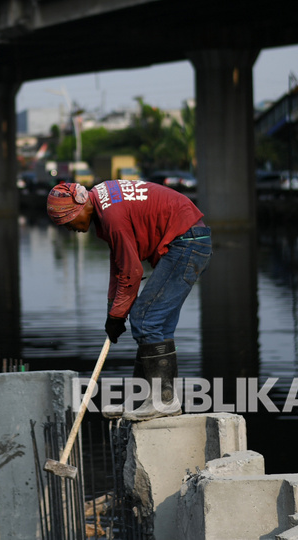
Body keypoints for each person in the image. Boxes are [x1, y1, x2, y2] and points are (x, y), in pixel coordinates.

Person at [46, 180, 212, 421]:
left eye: (68, 222)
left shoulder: (111, 216)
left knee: (146, 319)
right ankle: (142, 398)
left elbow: (132, 272)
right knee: (158, 325)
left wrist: (118, 315)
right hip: (189, 238)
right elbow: (120, 262)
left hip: (187, 242)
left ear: (79, 208)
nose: (70, 229)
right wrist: (112, 312)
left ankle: (164, 401)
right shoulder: (104, 203)